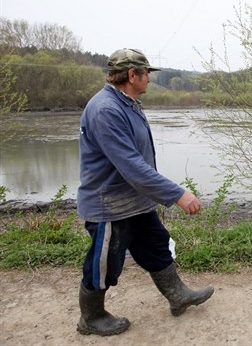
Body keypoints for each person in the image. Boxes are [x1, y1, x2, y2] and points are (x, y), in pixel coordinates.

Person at [76, 48, 214, 336]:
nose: (149, 79)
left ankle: (178, 296)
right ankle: (91, 317)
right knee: (105, 263)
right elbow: (132, 167)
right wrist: (178, 194)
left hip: (135, 201)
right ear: (131, 75)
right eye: (146, 74)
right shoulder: (106, 110)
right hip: (109, 205)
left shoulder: (128, 103)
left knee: (156, 246)